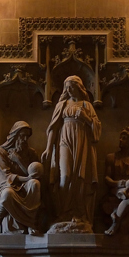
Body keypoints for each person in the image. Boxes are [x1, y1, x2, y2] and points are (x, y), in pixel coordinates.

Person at [42, 75, 101, 229]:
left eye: (71, 86)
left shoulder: (87, 106)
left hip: (82, 142)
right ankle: (63, 212)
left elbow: (97, 129)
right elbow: (53, 127)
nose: (69, 90)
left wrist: (86, 118)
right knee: (65, 176)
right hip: (64, 140)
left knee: (80, 178)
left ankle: (79, 214)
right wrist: (48, 148)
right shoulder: (61, 105)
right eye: (66, 87)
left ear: (79, 87)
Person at [0, 121, 43, 236]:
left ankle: (30, 223)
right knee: (7, 194)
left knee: (35, 184)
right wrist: (27, 179)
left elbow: (34, 174)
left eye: (27, 136)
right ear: (15, 136)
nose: (25, 139)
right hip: (9, 186)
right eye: (22, 136)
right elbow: (5, 177)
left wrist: (18, 161)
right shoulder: (1, 152)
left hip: (25, 187)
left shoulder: (31, 153)